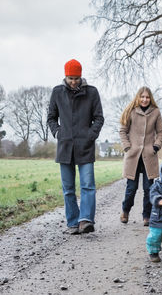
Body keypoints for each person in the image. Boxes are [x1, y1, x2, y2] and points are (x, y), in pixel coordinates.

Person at [47, 59, 104, 234]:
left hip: (85, 146)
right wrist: (57, 133)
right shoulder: (57, 92)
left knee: (88, 185)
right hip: (65, 147)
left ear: (81, 76)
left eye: (76, 78)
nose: (73, 82)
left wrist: (90, 135)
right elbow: (51, 118)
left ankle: (85, 220)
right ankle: (73, 222)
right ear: (65, 76)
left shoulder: (91, 92)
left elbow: (99, 118)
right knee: (68, 188)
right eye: (70, 78)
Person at [119, 87, 162, 226]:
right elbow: (122, 131)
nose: (145, 99)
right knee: (131, 188)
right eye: (142, 97)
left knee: (148, 188)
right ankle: (125, 210)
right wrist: (127, 146)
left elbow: (161, 132)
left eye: (147, 97)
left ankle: (147, 216)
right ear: (138, 98)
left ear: (150, 98)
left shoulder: (156, 112)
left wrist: (156, 146)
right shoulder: (131, 111)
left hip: (149, 156)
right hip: (133, 156)